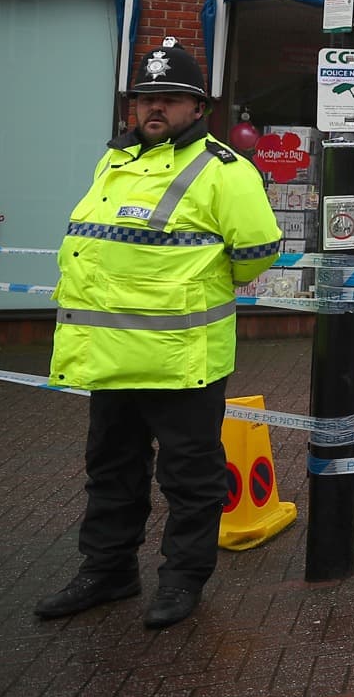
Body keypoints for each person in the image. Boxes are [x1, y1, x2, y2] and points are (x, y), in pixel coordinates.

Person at [37, 37, 282, 629]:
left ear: (198, 109)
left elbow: (255, 251)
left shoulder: (225, 170)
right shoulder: (113, 162)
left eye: (171, 99)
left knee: (190, 478)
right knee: (110, 470)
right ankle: (109, 571)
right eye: (146, 98)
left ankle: (181, 581)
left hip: (181, 359)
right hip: (109, 355)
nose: (155, 109)